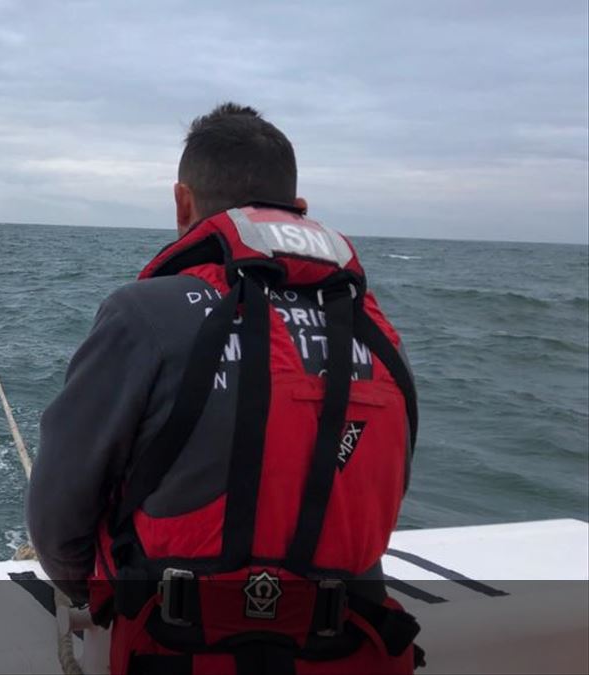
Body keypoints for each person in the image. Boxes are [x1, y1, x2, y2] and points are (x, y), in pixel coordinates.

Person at [26, 103, 422, 674]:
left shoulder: (143, 315)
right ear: (299, 211)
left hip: (175, 651)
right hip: (347, 651)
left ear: (182, 202)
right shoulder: (379, 332)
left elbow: (59, 512)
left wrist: (91, 593)